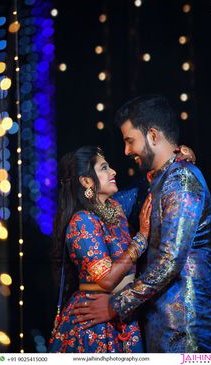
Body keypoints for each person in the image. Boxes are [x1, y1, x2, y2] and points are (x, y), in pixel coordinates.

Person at [70, 95, 211, 353]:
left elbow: (170, 260)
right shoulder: (158, 183)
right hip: (162, 324)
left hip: (187, 331)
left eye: (130, 141)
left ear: (153, 135)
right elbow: (110, 203)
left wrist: (115, 305)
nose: (126, 151)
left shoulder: (181, 181)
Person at [48, 145, 152, 353]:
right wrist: (141, 238)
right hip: (94, 322)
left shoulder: (115, 208)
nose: (113, 172)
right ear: (86, 181)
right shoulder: (82, 221)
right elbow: (106, 279)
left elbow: (146, 185)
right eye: (104, 168)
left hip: (119, 311)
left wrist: (177, 159)